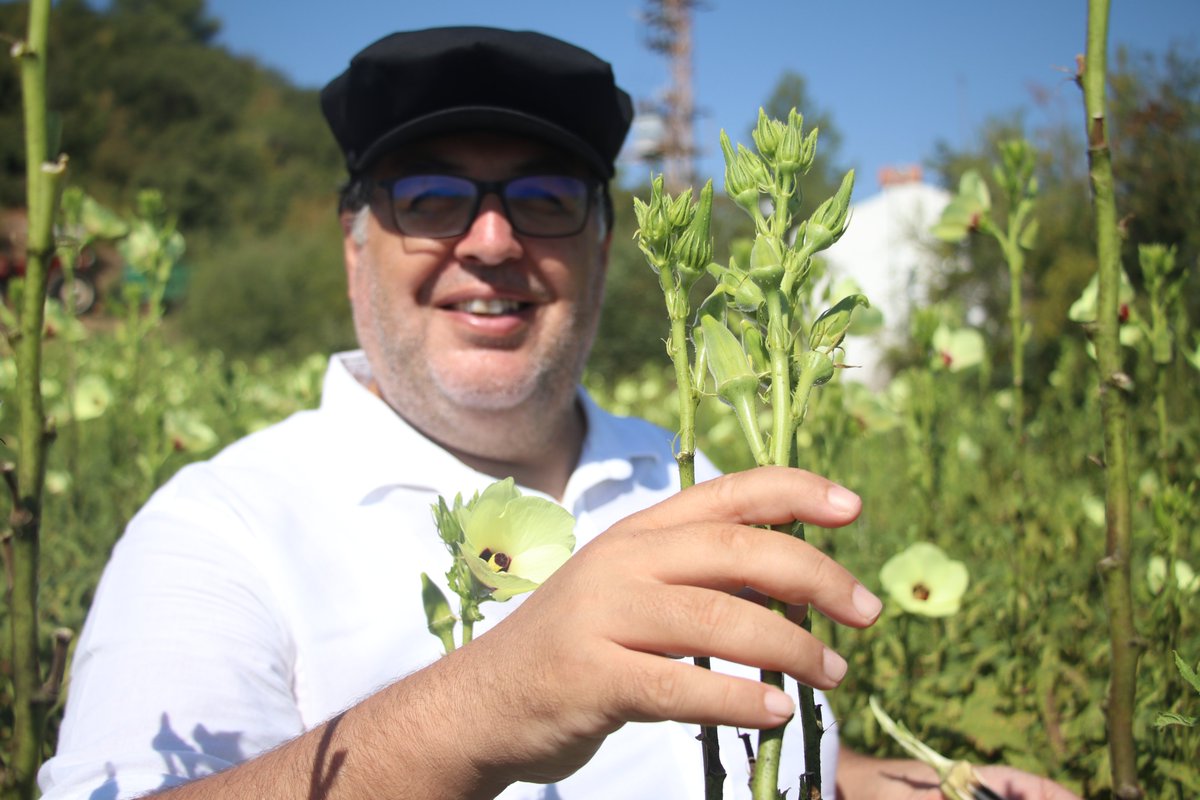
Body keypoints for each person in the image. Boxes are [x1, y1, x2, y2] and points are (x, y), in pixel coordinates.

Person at [38, 26, 1081, 800]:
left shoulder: (688, 470)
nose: (491, 241)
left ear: (604, 248)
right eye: (430, 196)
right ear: (353, 240)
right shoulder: (221, 523)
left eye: (544, 198)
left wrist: (900, 780)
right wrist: (490, 703)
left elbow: (746, 757)